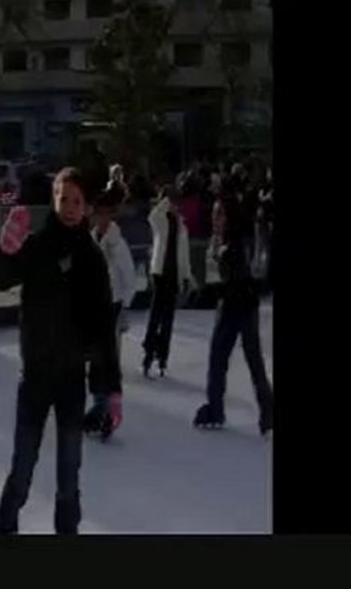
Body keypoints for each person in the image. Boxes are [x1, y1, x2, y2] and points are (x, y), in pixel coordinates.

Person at [0, 167, 121, 535]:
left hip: (70, 381)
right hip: (34, 377)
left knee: (69, 472)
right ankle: (4, 527)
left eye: (77, 201)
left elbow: (103, 327)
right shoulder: (38, 246)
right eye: (64, 199)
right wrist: (4, 250)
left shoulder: (91, 258)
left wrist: (110, 388)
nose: (70, 207)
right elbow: (1, 279)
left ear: (87, 206)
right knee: (23, 465)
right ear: (54, 200)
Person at [194, 193, 274, 437]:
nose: (214, 218)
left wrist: (211, 290)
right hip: (231, 305)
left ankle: (267, 412)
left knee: (251, 360)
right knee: (218, 358)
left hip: (242, 307)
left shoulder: (236, 245)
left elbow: (234, 282)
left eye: (219, 214)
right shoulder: (221, 242)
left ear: (230, 217)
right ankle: (215, 409)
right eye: (214, 213)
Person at [83, 190, 137, 440]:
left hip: (112, 306)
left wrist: (124, 307)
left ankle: (105, 408)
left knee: (107, 359)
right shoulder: (90, 240)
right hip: (93, 306)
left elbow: (129, 276)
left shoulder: (117, 243)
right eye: (98, 214)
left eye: (106, 215)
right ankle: (100, 405)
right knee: (95, 360)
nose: (101, 219)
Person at [142, 186, 196, 377]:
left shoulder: (182, 226)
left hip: (174, 275)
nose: (174, 206)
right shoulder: (161, 219)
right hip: (160, 272)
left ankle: (163, 356)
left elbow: (184, 254)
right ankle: (149, 351)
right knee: (155, 315)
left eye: (176, 202)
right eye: (172, 202)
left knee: (168, 318)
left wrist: (187, 276)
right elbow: (152, 217)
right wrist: (164, 200)